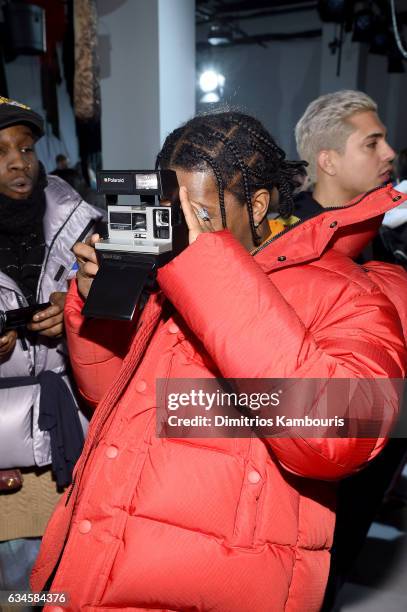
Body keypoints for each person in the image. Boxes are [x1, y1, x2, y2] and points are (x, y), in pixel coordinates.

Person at [31, 111, 407, 611]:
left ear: (256, 205)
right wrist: (96, 308)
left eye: (200, 215)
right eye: (174, 214)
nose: (185, 234)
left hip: (209, 588)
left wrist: (207, 271)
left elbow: (338, 437)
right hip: (97, 570)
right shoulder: (172, 280)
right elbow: (106, 395)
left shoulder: (351, 293)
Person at [294, 90, 407, 609]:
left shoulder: (378, 237)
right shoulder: (284, 240)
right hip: (307, 454)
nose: (390, 154)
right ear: (329, 160)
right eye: (373, 142)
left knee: (331, 577)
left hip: (370, 456)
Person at [0, 96, 103, 595]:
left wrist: (77, 307)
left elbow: (129, 310)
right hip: (5, 461)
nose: (18, 161)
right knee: (14, 590)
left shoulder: (80, 221)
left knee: (68, 587)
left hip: (73, 440)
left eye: (25, 149)